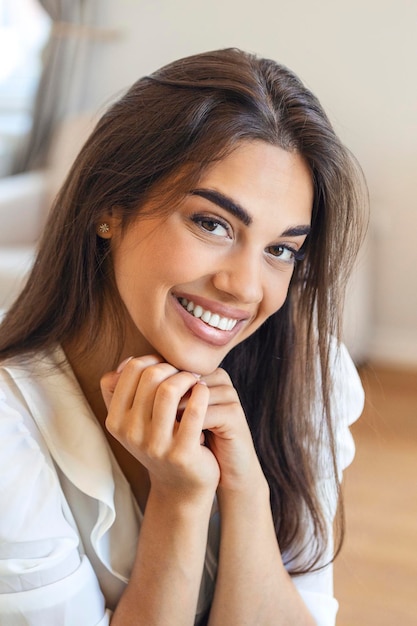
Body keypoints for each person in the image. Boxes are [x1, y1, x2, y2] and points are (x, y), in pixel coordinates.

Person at [0, 48, 367, 625]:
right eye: (212, 223)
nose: (245, 287)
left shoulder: (310, 372)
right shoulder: (8, 431)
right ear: (109, 208)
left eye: (280, 250)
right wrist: (180, 499)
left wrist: (244, 488)